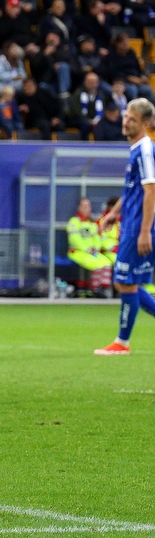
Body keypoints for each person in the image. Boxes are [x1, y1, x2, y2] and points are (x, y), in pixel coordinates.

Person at [94, 99, 155, 354]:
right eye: (125, 117)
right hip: (130, 224)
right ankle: (122, 342)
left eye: (132, 119)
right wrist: (113, 214)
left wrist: (144, 231)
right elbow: (131, 191)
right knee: (127, 282)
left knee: (124, 282)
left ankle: (122, 342)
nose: (125, 122)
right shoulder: (136, 150)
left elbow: (150, 190)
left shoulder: (145, 150)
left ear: (145, 123)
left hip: (138, 227)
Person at [66, 197, 111, 295]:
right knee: (96, 264)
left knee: (106, 262)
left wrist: (96, 248)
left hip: (92, 252)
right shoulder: (75, 221)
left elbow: (97, 238)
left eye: (88, 206)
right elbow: (74, 239)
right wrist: (86, 249)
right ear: (79, 208)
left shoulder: (92, 223)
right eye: (84, 206)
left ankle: (103, 288)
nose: (87, 208)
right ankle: (95, 290)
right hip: (78, 252)